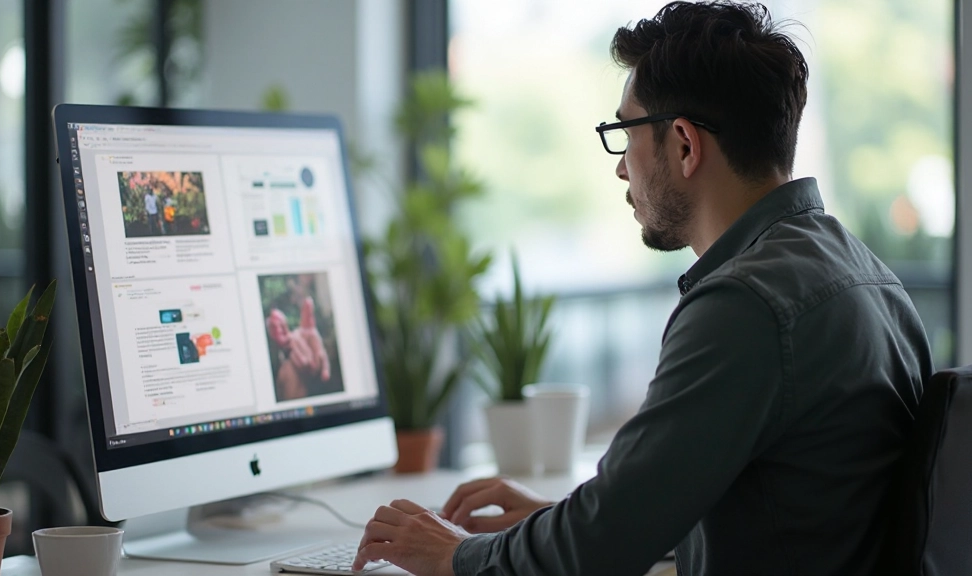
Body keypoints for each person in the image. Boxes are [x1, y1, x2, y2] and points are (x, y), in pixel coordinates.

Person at [353, 2, 933, 575]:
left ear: (683, 144)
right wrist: (566, 519)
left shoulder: (748, 305)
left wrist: (452, 554)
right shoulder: (868, 275)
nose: (621, 168)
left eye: (623, 133)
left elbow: (594, 553)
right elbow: (782, 517)